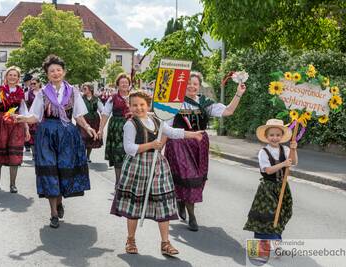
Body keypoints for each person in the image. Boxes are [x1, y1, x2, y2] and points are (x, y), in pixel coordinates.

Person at [110, 91, 203, 256]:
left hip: (157, 165)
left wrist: (193, 134)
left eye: (142, 104)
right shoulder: (130, 124)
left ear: (148, 105)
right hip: (137, 166)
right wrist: (152, 144)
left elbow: (173, 132)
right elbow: (129, 149)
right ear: (129, 107)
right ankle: (130, 240)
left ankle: (165, 243)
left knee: (164, 202)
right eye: (135, 105)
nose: (139, 108)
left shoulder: (156, 120)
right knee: (135, 204)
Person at [15, 55, 97, 229]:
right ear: (47, 74)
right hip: (46, 135)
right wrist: (21, 118)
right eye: (52, 70)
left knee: (62, 171)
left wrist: (88, 127)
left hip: (67, 135)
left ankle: (59, 202)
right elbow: (35, 116)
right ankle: (53, 212)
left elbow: (78, 115)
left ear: (64, 72)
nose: (55, 73)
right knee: (50, 171)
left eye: (58, 70)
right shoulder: (42, 93)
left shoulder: (73, 92)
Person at [165, 72, 246, 231]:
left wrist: (238, 94)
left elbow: (228, 111)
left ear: (199, 86)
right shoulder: (174, 102)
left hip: (199, 143)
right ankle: (192, 215)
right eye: (188, 83)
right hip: (179, 143)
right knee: (189, 177)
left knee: (196, 179)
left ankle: (182, 201)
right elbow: (165, 127)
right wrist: (159, 146)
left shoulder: (205, 103)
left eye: (195, 84)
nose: (191, 86)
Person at [244, 119, 297, 240]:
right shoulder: (263, 152)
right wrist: (283, 164)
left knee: (282, 213)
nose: (275, 138)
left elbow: (293, 161)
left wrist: (293, 149)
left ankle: (276, 238)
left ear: (282, 136)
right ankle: (270, 241)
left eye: (278, 135)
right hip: (268, 188)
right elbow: (268, 170)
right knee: (268, 215)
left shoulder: (285, 150)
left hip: (282, 186)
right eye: (272, 135)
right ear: (266, 137)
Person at [0, 66, 30, 193]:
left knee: (15, 152)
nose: (12, 77)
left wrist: (27, 128)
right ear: (6, 77)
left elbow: (24, 111)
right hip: (1, 123)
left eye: (15, 75)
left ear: (18, 78)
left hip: (16, 123)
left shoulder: (21, 92)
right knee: (0, 150)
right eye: (10, 75)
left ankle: (12, 184)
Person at [98, 73, 132, 185]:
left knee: (131, 153)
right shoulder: (112, 98)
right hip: (117, 129)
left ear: (129, 84)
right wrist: (101, 129)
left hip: (132, 127)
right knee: (118, 155)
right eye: (122, 82)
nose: (124, 84)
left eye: (126, 82)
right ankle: (118, 182)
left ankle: (128, 182)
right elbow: (105, 114)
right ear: (118, 84)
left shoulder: (134, 96)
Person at [79, 82, 103, 162]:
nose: (83, 90)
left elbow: (101, 109)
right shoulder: (81, 98)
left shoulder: (96, 99)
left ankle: (88, 156)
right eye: (83, 88)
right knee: (82, 138)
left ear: (90, 89)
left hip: (94, 120)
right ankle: (82, 156)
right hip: (84, 120)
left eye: (85, 88)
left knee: (90, 138)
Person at [24, 77, 42, 158]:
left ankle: (40, 153)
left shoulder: (43, 93)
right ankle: (34, 154)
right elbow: (25, 105)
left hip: (41, 117)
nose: (32, 85)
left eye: (34, 83)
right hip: (32, 116)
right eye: (31, 84)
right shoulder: (27, 93)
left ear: (39, 83)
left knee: (41, 136)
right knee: (32, 136)